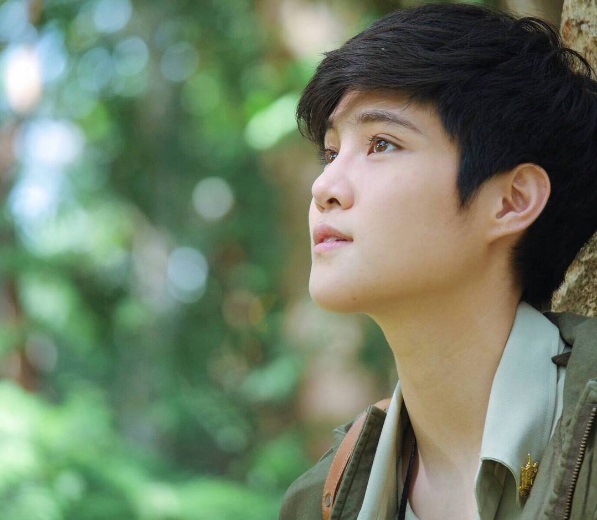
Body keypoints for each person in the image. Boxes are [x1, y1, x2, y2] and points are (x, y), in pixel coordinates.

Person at [279, 3, 597, 520]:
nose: (324, 187)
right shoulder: (319, 501)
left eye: (382, 144)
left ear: (512, 201)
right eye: (332, 153)